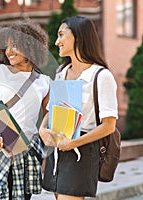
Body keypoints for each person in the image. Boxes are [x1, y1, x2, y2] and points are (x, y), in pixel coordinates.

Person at [39, 16, 118, 200]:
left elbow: (109, 126)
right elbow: (52, 110)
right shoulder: (61, 72)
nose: (57, 42)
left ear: (79, 37)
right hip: (57, 150)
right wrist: (43, 128)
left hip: (81, 151)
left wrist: (73, 143)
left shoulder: (100, 76)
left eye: (61, 35)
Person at [0, 20, 50, 200]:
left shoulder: (44, 82)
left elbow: (48, 118)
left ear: (30, 47)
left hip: (26, 151)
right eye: (7, 46)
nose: (9, 51)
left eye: (15, 45)